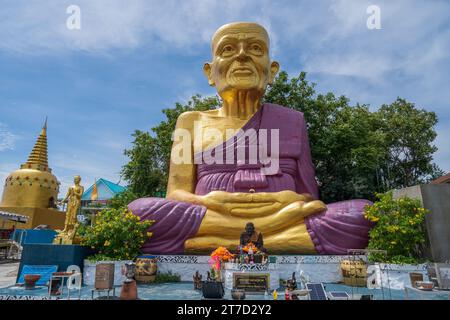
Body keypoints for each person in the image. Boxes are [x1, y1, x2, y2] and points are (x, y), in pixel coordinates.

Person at [128, 22, 373, 255]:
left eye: (256, 48)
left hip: (278, 213)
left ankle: (214, 243)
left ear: (271, 70)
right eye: (228, 49)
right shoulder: (191, 122)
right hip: (220, 214)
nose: (242, 56)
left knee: (362, 213)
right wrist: (214, 201)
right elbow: (176, 194)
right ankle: (279, 241)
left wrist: (282, 201)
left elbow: (310, 197)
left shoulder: (293, 120)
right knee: (140, 212)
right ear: (210, 72)